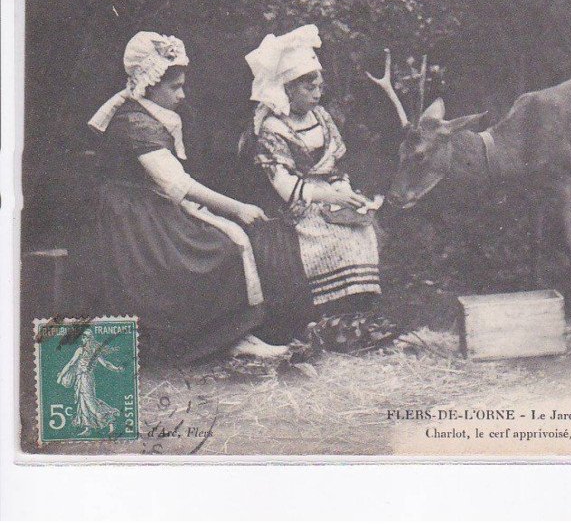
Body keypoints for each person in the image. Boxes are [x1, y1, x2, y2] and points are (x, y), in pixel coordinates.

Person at [85, 31, 285, 367]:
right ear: (149, 84)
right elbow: (175, 182)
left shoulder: (146, 114)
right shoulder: (135, 122)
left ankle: (234, 333)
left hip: (150, 204)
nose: (181, 94)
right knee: (217, 247)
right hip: (132, 217)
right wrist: (237, 208)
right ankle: (217, 337)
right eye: (174, 86)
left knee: (222, 239)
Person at [241, 24, 382, 315]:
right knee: (334, 239)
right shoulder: (271, 128)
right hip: (296, 208)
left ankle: (359, 313)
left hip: (328, 199)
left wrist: (344, 191)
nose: (317, 94)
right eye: (309, 87)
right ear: (286, 89)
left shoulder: (320, 116)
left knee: (362, 230)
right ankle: (332, 314)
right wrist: (333, 198)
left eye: (319, 86)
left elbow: (335, 165)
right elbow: (285, 187)